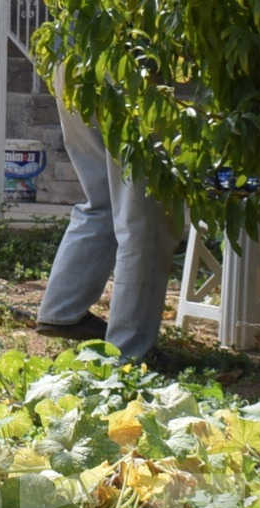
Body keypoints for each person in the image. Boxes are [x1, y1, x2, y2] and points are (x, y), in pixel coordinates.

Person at [33, 90, 182, 364]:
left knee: (103, 201)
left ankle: (63, 310)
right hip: (136, 70)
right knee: (146, 220)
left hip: (74, 62)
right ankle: (129, 351)